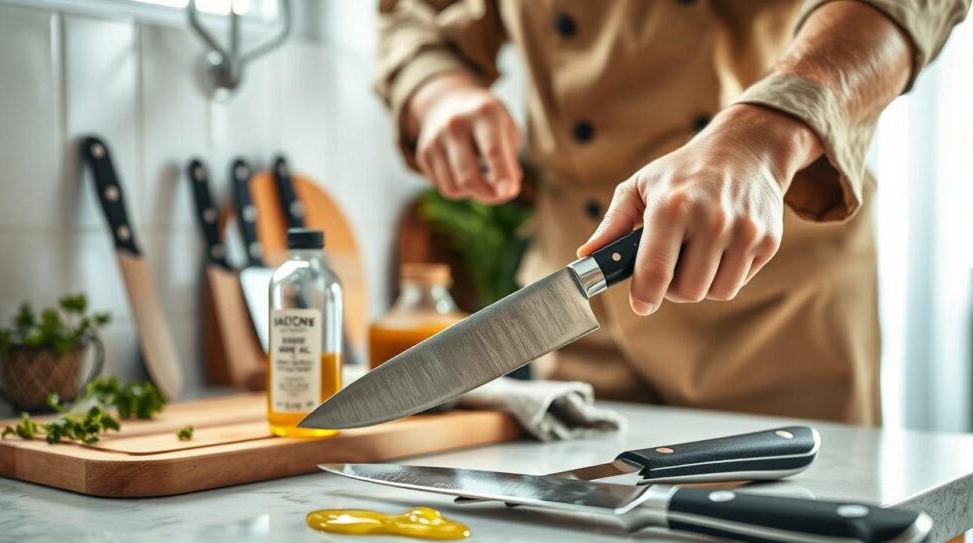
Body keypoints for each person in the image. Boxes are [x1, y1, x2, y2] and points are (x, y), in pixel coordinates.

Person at [376, 0, 969, 424]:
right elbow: (414, 12)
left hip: (774, 315)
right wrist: (436, 85)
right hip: (585, 312)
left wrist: (765, 131)